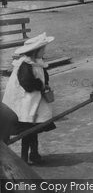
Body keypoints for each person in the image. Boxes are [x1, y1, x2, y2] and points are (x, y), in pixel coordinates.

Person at [2, 33, 56, 164]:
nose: (44, 51)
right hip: (23, 104)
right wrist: (40, 85)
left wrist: (45, 83)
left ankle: (34, 154)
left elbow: (44, 75)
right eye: (42, 49)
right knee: (28, 131)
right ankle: (24, 158)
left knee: (33, 129)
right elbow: (28, 84)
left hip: (33, 103)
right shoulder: (25, 65)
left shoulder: (36, 63)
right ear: (35, 51)